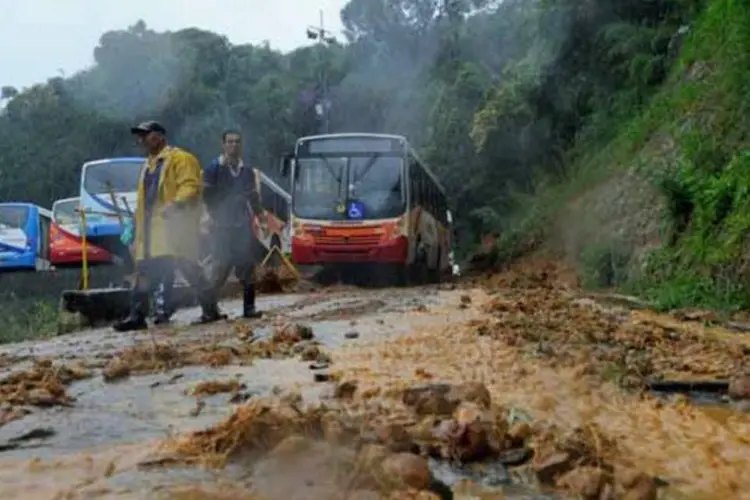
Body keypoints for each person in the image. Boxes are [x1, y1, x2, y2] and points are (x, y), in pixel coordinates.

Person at [113, 121, 224, 331]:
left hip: (174, 227)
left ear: (160, 136)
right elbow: (145, 200)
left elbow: (190, 185)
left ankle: (210, 310)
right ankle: (137, 315)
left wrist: (176, 204)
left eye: (146, 135)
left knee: (189, 268)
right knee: (146, 272)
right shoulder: (148, 165)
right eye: (140, 136)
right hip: (152, 231)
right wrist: (134, 226)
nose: (142, 140)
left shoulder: (181, 159)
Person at [203, 129, 265, 319]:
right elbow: (206, 195)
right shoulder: (213, 168)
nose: (234, 145)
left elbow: (252, 195)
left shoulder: (246, 171)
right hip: (221, 227)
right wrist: (212, 215)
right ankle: (209, 311)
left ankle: (249, 308)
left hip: (241, 226)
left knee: (247, 266)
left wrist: (259, 215)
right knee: (219, 268)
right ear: (223, 145)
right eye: (230, 142)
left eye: (237, 142)